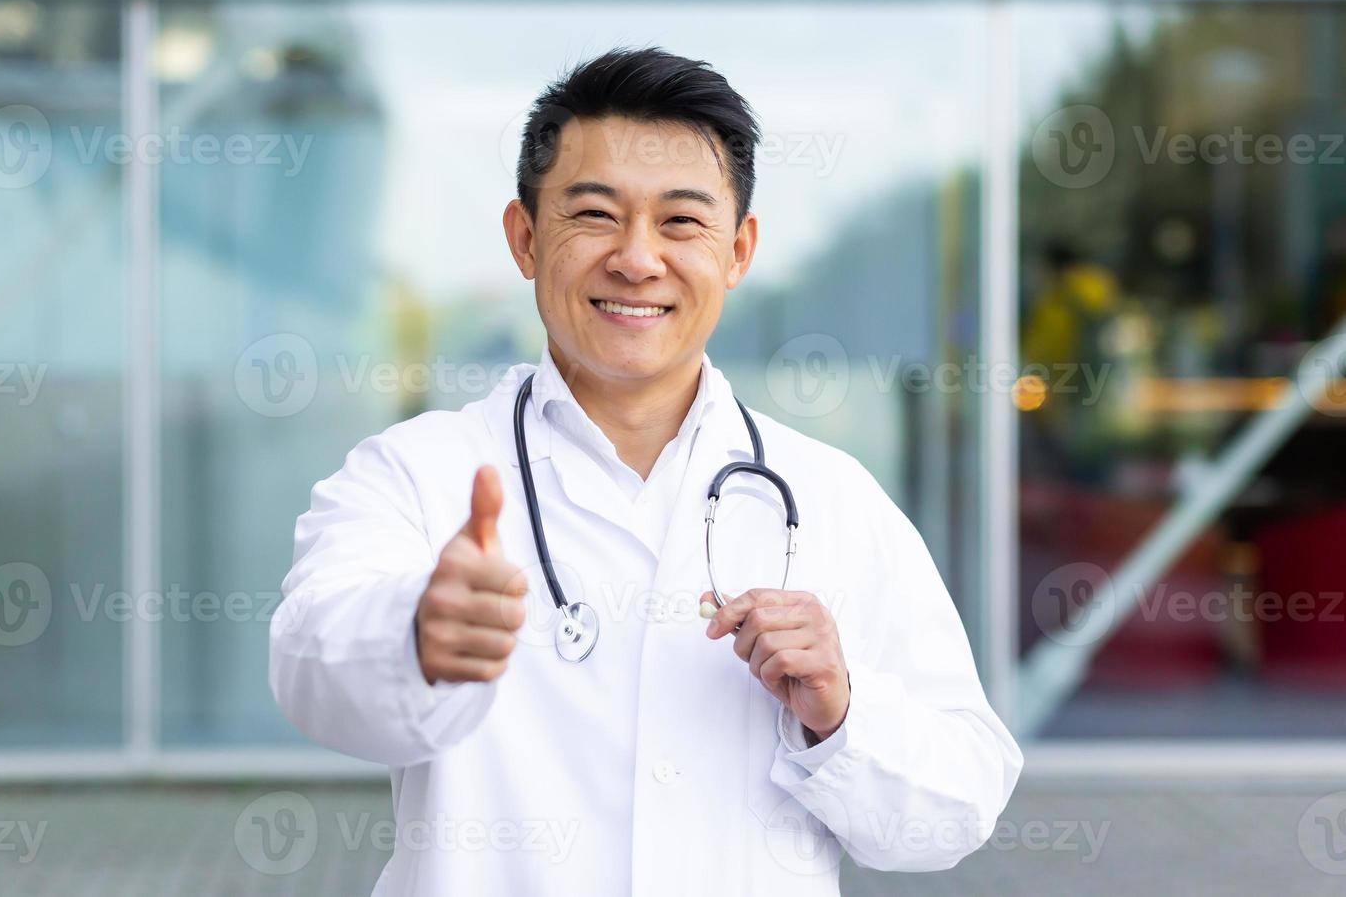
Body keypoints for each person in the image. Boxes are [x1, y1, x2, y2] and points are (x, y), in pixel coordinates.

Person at [270, 47, 1021, 895]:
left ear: (738, 252)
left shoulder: (833, 497)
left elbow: (959, 805)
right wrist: (413, 633)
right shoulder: (414, 473)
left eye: (681, 222)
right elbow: (308, 667)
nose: (637, 259)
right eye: (594, 214)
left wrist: (843, 713)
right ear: (524, 237)